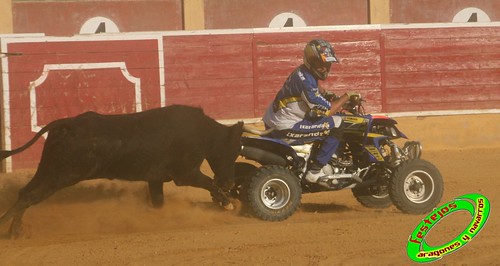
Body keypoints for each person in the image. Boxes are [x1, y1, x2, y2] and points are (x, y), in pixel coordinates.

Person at [262, 38, 359, 185]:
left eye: (327, 64)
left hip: (273, 121)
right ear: (310, 61)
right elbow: (327, 111)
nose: (324, 68)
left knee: (325, 120)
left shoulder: (302, 72)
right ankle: (315, 170)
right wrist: (346, 97)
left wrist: (329, 95)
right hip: (286, 127)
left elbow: (317, 90)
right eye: (320, 64)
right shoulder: (306, 82)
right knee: (338, 123)